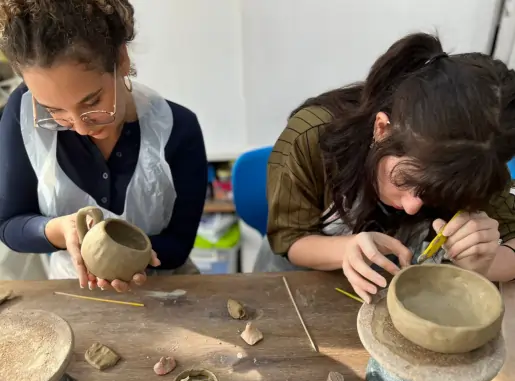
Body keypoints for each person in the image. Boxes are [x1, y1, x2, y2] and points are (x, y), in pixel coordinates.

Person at [255, 33, 515, 303]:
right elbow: (290, 237)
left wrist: (485, 263)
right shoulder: (312, 134)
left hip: (393, 288)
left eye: (436, 193)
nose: (414, 206)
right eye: (405, 180)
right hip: (299, 279)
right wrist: (346, 249)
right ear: (382, 129)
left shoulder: (477, 159)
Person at [0, 0, 207, 292]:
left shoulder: (177, 129)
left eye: (92, 102)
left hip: (165, 291)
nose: (82, 128)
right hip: (73, 289)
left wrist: (125, 255)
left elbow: (178, 245)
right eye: (53, 110)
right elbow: (9, 225)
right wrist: (60, 230)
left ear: (121, 59)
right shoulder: (20, 116)